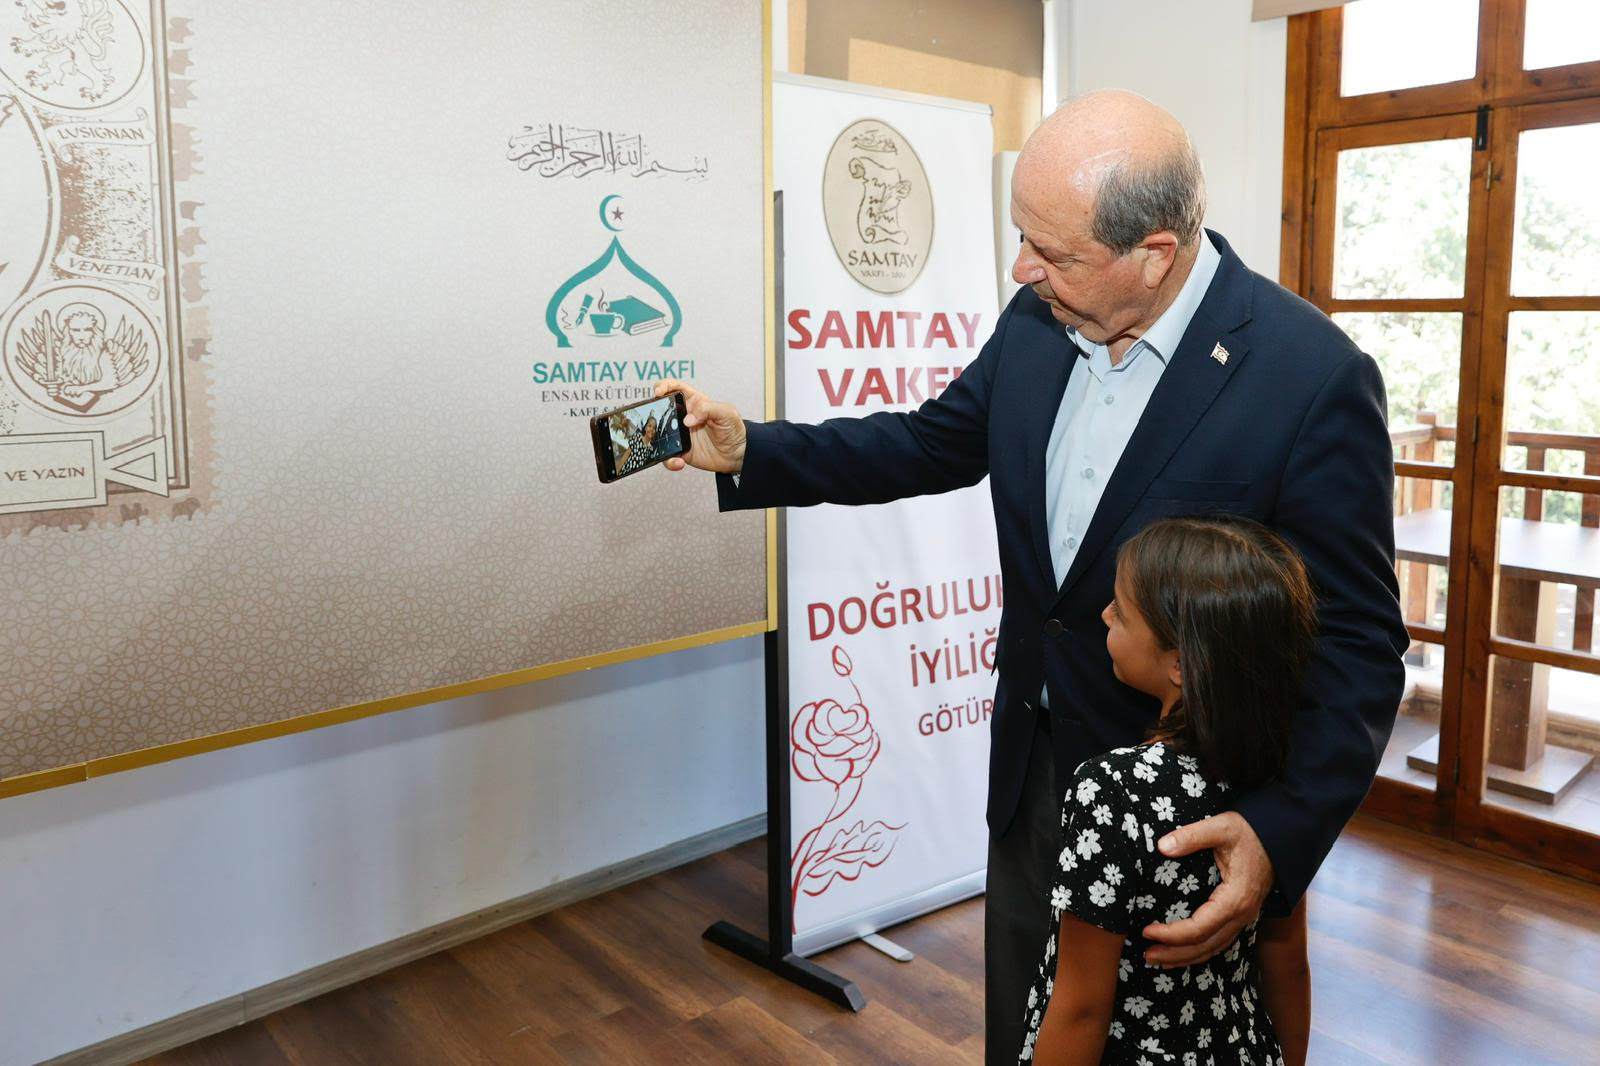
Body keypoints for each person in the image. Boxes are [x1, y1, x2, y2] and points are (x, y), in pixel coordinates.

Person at [656, 89, 1406, 1064]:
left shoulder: (1310, 377)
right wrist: (752, 449)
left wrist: (1279, 829)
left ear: (1156, 253)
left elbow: (1358, 644)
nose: (1021, 269)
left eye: (1050, 251)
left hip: (1188, 807)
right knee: (1027, 1022)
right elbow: (929, 442)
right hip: (1034, 766)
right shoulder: (1038, 317)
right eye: (1021, 238)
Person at [1021, 516, 1315, 1066]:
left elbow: (1082, 1009)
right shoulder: (1285, 784)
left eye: (1121, 610)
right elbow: (1289, 965)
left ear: (1179, 663)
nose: (1104, 614)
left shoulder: (1112, 790)